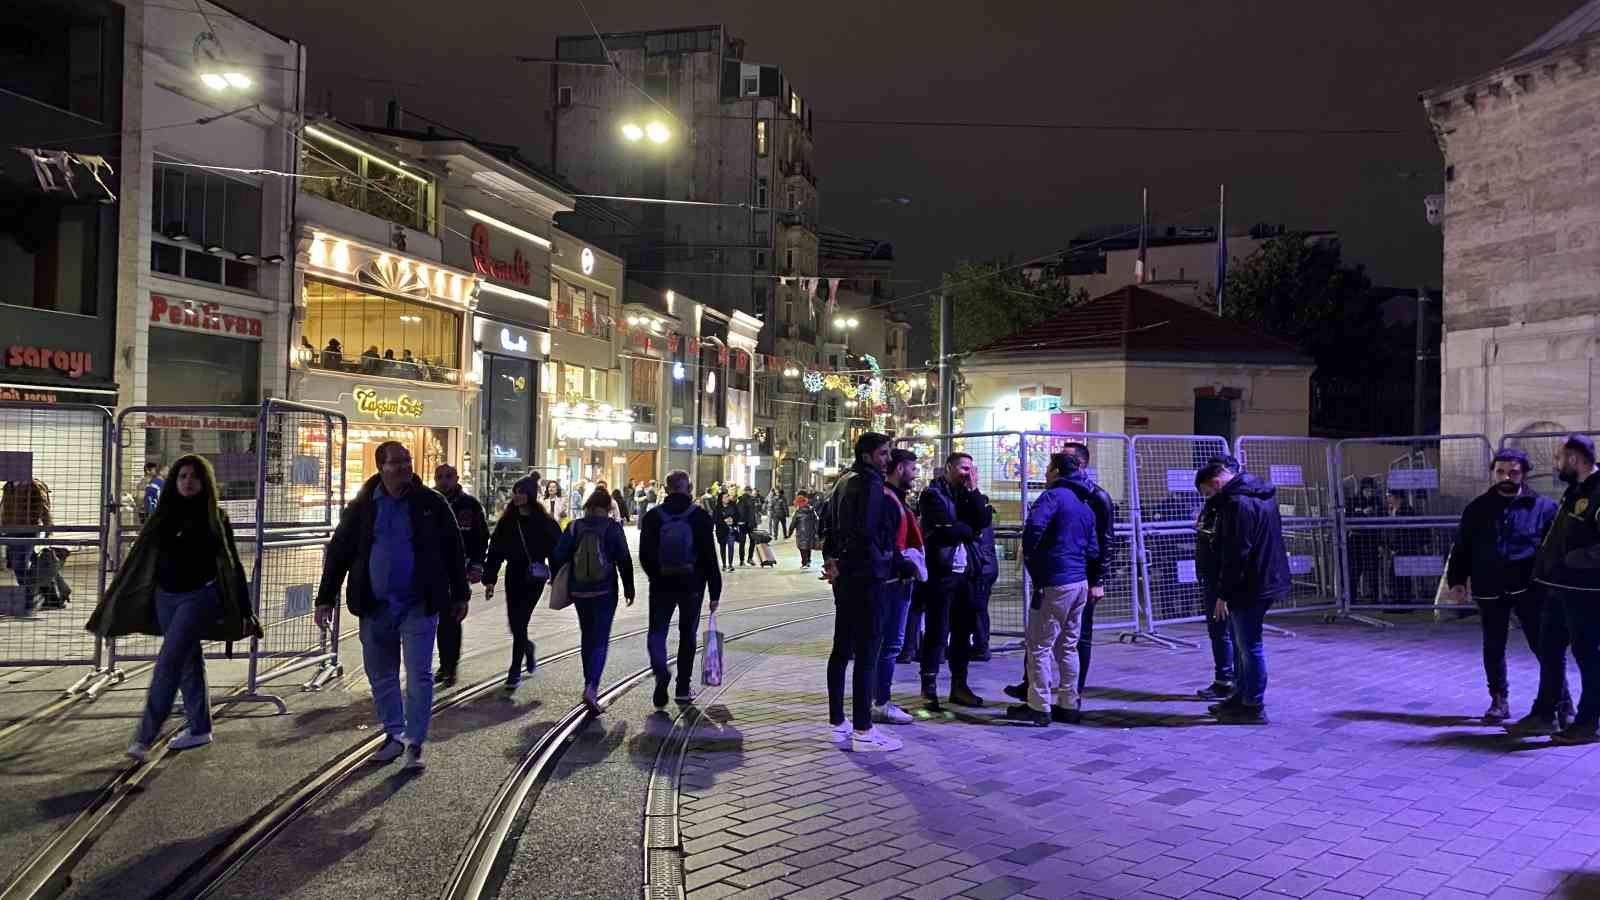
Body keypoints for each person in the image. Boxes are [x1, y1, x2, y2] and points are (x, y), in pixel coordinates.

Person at [87, 456, 258, 761]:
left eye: (193, 477)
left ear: (204, 482)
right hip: (166, 598)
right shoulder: (162, 516)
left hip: (200, 598)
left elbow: (233, 566)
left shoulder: (215, 517)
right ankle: (200, 728)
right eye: (181, 476)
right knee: (188, 661)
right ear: (173, 482)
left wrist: (246, 611)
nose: (187, 481)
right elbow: (139, 562)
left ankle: (144, 737)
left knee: (168, 663)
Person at [315, 442, 469, 771]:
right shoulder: (363, 506)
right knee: (381, 676)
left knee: (419, 675)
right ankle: (393, 734)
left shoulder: (431, 503)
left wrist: (460, 593)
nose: (404, 468)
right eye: (396, 462)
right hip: (375, 605)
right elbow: (340, 550)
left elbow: (453, 549)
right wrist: (325, 597)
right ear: (380, 466)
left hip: (418, 603)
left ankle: (415, 740)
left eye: (407, 461)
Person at [1446, 448, 1562, 722]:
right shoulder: (1476, 508)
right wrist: (1457, 581)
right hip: (1489, 586)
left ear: (1524, 473)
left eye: (1513, 472)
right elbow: (1462, 547)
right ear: (1493, 473)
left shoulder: (1544, 507)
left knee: (1544, 646)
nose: (1507, 477)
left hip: (1530, 588)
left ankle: (1561, 699)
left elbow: (1555, 548)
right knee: (1493, 645)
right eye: (1501, 471)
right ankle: (1499, 699)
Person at [1002, 441, 1116, 698]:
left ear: (1079, 464)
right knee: (1062, 644)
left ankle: (1045, 702)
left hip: (1065, 577)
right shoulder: (1081, 497)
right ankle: (1058, 696)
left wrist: (1097, 579)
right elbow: (1094, 544)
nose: (1048, 470)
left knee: (1052, 642)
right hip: (1071, 575)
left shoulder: (1090, 497)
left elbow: (1106, 540)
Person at [824, 432, 905, 752]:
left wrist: (834, 561)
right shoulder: (871, 484)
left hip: (846, 576)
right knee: (869, 651)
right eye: (884, 454)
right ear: (869, 455)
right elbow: (867, 532)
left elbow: (828, 527)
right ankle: (863, 730)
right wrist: (884, 564)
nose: (888, 460)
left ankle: (837, 721)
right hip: (867, 576)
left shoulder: (844, 480)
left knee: (842, 648)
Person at [1197, 460, 1290, 725]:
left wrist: (1223, 594)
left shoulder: (1236, 503)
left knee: (1249, 645)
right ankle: (1242, 695)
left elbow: (1237, 551)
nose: (1209, 499)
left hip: (1250, 583)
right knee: (1243, 644)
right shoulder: (1261, 495)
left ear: (1215, 483)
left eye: (1207, 492)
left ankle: (1253, 705)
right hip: (1264, 578)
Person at [1525, 435, 1600, 744]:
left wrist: (1575, 558)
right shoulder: (1576, 489)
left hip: (1585, 590)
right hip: (1558, 588)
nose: (1555, 465)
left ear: (1573, 458)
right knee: (1549, 649)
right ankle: (1545, 713)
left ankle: (1587, 722)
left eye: (1558, 458)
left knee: (1588, 656)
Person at [639, 470, 722, 707]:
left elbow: (645, 556)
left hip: (661, 586)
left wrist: (657, 575)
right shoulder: (700, 516)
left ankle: (660, 671)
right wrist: (715, 590)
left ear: (666, 488)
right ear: (689, 488)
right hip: (692, 586)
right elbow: (709, 556)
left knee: (657, 632)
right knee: (688, 635)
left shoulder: (653, 517)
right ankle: (683, 688)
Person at [916, 452, 992, 710]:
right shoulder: (932, 494)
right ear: (949, 468)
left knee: (964, 630)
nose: (967, 473)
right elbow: (946, 530)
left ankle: (959, 686)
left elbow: (983, 520)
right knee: (937, 631)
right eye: (962, 468)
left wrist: (974, 492)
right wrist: (969, 529)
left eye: (970, 469)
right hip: (942, 571)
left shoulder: (969, 493)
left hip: (967, 572)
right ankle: (929, 687)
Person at [551, 489, 636, 713]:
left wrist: (556, 577)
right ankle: (592, 686)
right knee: (600, 638)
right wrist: (629, 587)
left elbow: (558, 555)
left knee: (587, 636)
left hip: (580, 591)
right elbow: (624, 559)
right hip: (605, 590)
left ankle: (588, 681)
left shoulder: (575, 527)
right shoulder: (612, 528)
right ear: (608, 508)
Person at [483, 476, 561, 689]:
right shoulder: (507, 521)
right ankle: (527, 648)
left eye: (521, 492)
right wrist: (490, 579)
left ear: (531, 495)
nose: (517, 496)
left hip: (534, 577)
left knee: (521, 621)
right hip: (514, 575)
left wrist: (556, 574)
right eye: (515, 492)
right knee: (514, 622)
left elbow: (556, 550)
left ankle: (515, 669)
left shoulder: (544, 522)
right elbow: (495, 551)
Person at [874, 449, 926, 726]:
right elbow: (886, 541)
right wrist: (904, 564)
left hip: (896, 578)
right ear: (899, 469)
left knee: (888, 643)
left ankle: (880, 698)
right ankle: (880, 702)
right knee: (890, 643)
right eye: (913, 468)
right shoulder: (887, 499)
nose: (915, 474)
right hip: (893, 581)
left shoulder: (893, 498)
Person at [433, 464, 489, 687]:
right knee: (433, 620)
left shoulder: (470, 505)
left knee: (450, 618)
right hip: (433, 569)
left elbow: (481, 536)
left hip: (457, 569)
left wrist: (477, 564)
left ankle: (450, 665)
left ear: (456, 478)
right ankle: (443, 664)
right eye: (439, 477)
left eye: (448, 477)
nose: (443, 481)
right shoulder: (428, 501)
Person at [1194, 454, 1245, 699]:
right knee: (1218, 631)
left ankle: (1236, 681)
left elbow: (1235, 548)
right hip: (1212, 575)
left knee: (1233, 633)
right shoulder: (1213, 506)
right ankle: (1224, 678)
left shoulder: (1235, 505)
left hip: (1226, 579)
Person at [2, 479, 52, 612]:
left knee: (20, 565)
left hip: (28, 530)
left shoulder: (33, 486)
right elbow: (4, 508)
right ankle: (51, 594)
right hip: (11, 530)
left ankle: (31, 599)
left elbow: (44, 507)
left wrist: (48, 529)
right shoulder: (9, 486)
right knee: (29, 564)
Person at [793, 493, 820, 568]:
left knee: (802, 548)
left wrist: (789, 532)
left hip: (801, 533)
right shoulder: (812, 510)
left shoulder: (798, 512)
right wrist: (816, 530)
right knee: (808, 546)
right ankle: (808, 561)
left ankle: (804, 562)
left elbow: (793, 523)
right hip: (811, 532)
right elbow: (817, 520)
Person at [737, 486, 762, 566]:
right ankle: (748, 559)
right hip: (749, 524)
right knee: (750, 542)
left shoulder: (742, 500)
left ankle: (744, 560)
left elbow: (754, 512)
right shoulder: (749, 500)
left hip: (745, 524)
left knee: (744, 542)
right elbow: (755, 511)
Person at [715, 490, 738, 572]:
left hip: (731, 530)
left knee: (731, 546)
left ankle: (730, 564)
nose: (727, 498)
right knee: (722, 547)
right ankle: (724, 564)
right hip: (722, 530)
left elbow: (737, 516)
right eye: (725, 497)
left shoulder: (733, 506)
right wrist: (724, 521)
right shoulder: (717, 508)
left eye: (728, 496)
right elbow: (716, 519)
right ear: (721, 499)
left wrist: (733, 520)